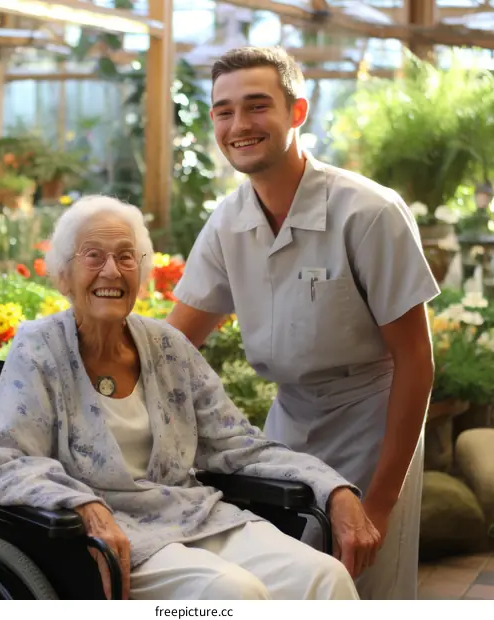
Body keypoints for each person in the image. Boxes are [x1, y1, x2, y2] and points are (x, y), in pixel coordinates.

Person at [0, 195, 380, 601]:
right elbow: (4, 461)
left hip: (198, 519)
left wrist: (332, 488)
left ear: (141, 271)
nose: (111, 271)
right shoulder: (39, 348)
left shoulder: (168, 346)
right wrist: (83, 505)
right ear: (64, 276)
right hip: (111, 542)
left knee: (324, 576)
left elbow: (239, 445)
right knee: (233, 594)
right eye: (93, 256)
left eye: (126, 256)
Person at [166, 46, 440, 600]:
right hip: (287, 428)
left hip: (374, 424)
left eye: (257, 105)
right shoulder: (228, 222)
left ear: (298, 112)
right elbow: (172, 345)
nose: (238, 125)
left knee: (368, 591)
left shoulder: (368, 213)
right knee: (290, 583)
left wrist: (379, 504)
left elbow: (416, 361)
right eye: (223, 111)